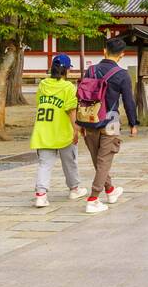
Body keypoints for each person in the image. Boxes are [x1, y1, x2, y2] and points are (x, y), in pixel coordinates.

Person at [76, 36, 138, 214]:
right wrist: (133, 123)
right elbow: (128, 101)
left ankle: (110, 190)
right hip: (111, 121)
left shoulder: (91, 71)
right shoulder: (122, 74)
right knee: (105, 159)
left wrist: (79, 122)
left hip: (89, 120)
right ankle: (94, 198)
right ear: (122, 55)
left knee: (99, 159)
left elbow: (81, 96)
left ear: (104, 51)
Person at [30, 54, 87, 207]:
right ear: (66, 70)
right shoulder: (68, 87)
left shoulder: (42, 85)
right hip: (62, 130)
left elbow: (39, 103)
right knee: (69, 162)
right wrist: (77, 130)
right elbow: (71, 110)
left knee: (44, 164)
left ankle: (41, 195)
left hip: (43, 129)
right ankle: (74, 189)